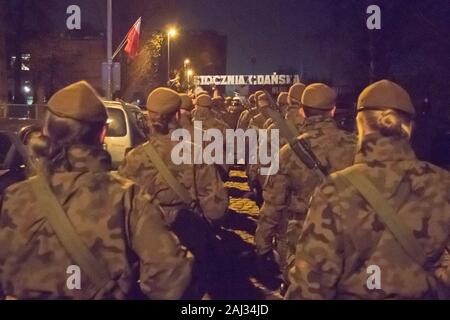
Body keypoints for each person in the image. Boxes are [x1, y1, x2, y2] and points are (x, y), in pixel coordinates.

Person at [0, 81, 193, 300]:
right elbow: (172, 274)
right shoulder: (126, 198)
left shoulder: (13, 197)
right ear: (102, 134)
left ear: (46, 131)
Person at [286, 80, 450, 300]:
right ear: (409, 129)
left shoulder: (334, 191)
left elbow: (310, 287)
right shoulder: (443, 184)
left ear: (359, 124)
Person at [255, 83, 356, 285]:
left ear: (302, 111)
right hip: (347, 237)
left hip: (300, 239)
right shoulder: (356, 145)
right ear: (333, 110)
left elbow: (274, 204)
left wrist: (262, 245)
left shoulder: (287, 153)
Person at [119, 88, 228, 226]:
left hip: (148, 239)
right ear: (177, 116)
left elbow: (121, 208)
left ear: (148, 118)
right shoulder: (195, 153)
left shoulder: (133, 158)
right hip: (189, 239)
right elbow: (216, 209)